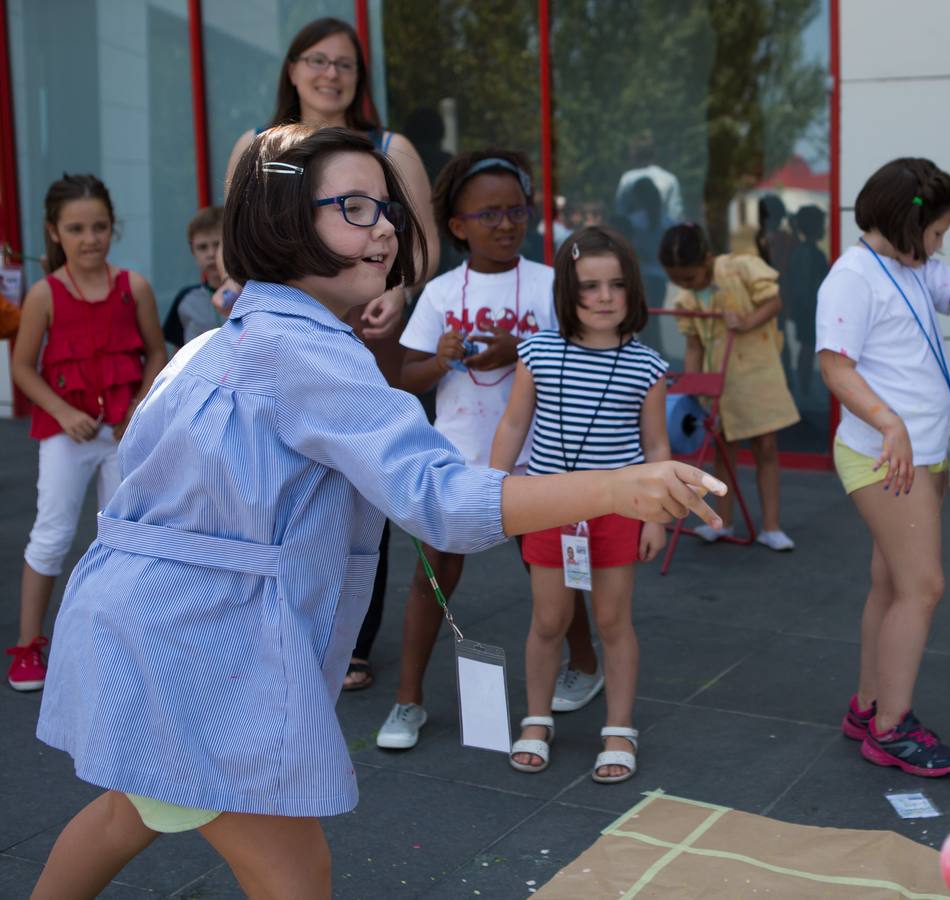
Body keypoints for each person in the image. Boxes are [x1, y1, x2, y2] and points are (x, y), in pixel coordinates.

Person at [28, 125, 724, 899]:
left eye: (386, 208)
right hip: (205, 654)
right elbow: (441, 501)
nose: (386, 226)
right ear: (283, 220)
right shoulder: (309, 354)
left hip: (150, 630)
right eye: (354, 207)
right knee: (291, 871)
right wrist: (616, 485)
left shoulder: (230, 339)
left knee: (131, 814)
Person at [223, 16, 441, 690]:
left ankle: (350, 637)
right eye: (315, 60)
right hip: (277, 342)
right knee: (271, 479)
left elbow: (421, 242)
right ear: (291, 70)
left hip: (365, 336)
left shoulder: (389, 147)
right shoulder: (259, 148)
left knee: (360, 484)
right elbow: (238, 245)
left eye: (344, 63)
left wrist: (399, 293)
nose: (329, 73)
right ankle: (268, 618)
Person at [377, 149, 602, 751]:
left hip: (541, 460)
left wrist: (519, 349)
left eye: (516, 211)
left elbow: (585, 362)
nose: (506, 224)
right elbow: (407, 378)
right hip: (456, 460)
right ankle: (408, 701)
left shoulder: (553, 285)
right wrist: (445, 355)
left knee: (551, 575)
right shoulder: (443, 292)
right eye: (489, 214)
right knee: (433, 577)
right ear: (458, 225)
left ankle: (586, 663)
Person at [817, 157, 950, 777]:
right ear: (906, 226)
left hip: (921, 452)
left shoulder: (909, 265)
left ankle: (869, 706)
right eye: (936, 233)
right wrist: (890, 422)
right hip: (887, 456)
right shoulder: (854, 277)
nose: (940, 246)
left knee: (894, 584)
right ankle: (891, 728)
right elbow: (835, 367)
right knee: (923, 587)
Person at [491, 226, 670, 784]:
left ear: (633, 291)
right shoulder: (537, 351)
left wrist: (656, 517)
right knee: (549, 620)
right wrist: (489, 491)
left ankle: (619, 728)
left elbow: (657, 448)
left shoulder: (647, 367)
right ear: (567, 291)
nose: (604, 297)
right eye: (589, 286)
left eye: (617, 285)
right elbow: (514, 423)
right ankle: (537, 718)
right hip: (547, 506)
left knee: (613, 620)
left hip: (620, 510)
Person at [7, 174, 167, 693]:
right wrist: (62, 411)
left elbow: (157, 353)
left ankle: (120, 642)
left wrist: (139, 408)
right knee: (51, 534)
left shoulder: (133, 287)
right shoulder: (43, 295)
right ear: (54, 232)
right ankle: (30, 645)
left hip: (122, 432)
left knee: (124, 537)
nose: (89, 238)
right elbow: (24, 367)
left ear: (112, 228)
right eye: (76, 229)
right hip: (65, 432)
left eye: (99, 227)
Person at [659, 222, 801, 551]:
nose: (685, 285)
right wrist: (690, 390)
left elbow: (774, 302)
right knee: (723, 452)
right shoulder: (686, 298)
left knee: (766, 447)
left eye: (689, 277)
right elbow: (693, 346)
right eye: (677, 280)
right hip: (717, 383)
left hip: (757, 376)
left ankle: (771, 526)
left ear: (708, 259)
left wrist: (746, 321)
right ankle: (723, 522)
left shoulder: (741, 267)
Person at [784, 205, 830, 400]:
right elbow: (805, 286)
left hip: (806, 308)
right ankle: (804, 390)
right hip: (809, 309)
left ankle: (804, 388)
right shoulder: (809, 254)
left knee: (807, 347)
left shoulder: (803, 251)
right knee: (807, 348)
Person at [162, 206, 225, 350]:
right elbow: (178, 359)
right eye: (202, 247)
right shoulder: (185, 300)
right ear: (193, 252)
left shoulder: (252, 293)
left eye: (218, 244)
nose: (211, 254)